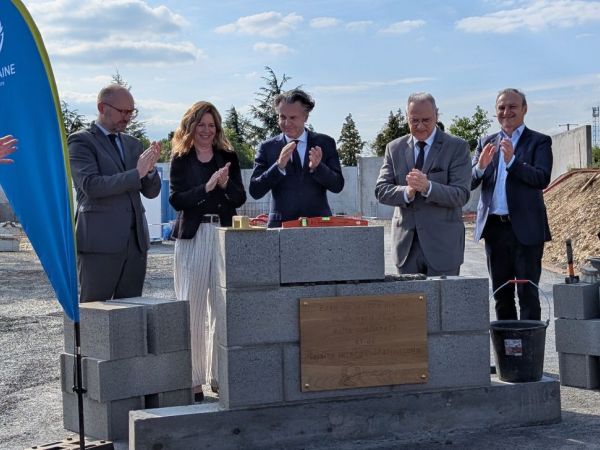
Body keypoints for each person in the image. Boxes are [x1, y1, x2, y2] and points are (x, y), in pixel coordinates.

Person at [169, 101, 246, 402]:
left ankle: (218, 375)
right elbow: (177, 200)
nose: (206, 130)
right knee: (192, 308)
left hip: (223, 235)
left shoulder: (228, 157)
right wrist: (207, 188)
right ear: (190, 126)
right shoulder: (181, 158)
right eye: (201, 124)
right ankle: (193, 380)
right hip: (194, 236)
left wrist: (225, 186)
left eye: (211, 125)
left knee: (222, 308)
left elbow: (239, 198)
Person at [69, 84, 161, 302]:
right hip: (99, 244)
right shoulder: (81, 141)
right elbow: (91, 185)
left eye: (132, 112)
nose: (128, 117)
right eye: (123, 111)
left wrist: (149, 171)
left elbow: (151, 192)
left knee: (132, 312)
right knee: (95, 312)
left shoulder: (133, 144)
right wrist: (136, 173)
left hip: (135, 245)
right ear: (102, 107)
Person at [472, 88, 552, 321]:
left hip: (526, 230)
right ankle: (507, 343)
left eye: (512, 107)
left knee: (528, 295)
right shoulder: (486, 142)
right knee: (501, 295)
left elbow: (542, 178)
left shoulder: (539, 141)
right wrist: (480, 167)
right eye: (501, 107)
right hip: (495, 230)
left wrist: (513, 162)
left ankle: (529, 343)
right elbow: (469, 181)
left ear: (524, 109)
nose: (506, 112)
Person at [375, 92, 471, 276]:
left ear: (437, 115)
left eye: (426, 120)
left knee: (444, 296)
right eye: (414, 121)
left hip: (443, 248)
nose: (420, 126)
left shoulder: (457, 147)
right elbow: (381, 190)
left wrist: (428, 187)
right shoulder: (394, 148)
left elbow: (461, 194)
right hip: (406, 250)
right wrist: (406, 191)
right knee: (409, 296)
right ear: (407, 117)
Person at [249, 88, 344, 227]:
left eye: (293, 118)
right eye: (282, 117)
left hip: (319, 226)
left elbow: (338, 185)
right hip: (280, 227)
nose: (287, 123)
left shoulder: (325, 143)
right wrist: (278, 166)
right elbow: (255, 191)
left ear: (306, 117)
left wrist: (318, 168)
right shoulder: (267, 147)